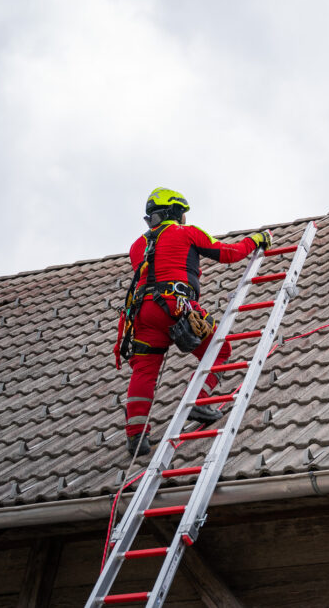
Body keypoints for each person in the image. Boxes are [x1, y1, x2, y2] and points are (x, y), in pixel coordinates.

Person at [120, 187, 271, 457]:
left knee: (144, 371)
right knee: (220, 350)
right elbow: (229, 253)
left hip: (143, 315)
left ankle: (136, 437)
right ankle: (198, 402)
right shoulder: (187, 233)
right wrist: (255, 240)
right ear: (176, 212)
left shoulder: (136, 246)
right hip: (176, 306)